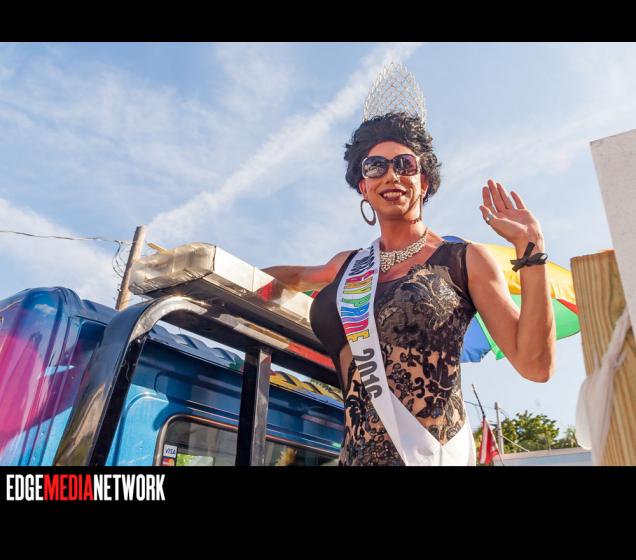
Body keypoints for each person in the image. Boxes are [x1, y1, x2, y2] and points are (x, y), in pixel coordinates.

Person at [263, 74, 556, 467]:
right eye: (375, 166)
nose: (391, 175)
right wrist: (209, 270)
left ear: (425, 181)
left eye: (405, 164)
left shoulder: (462, 259)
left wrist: (531, 251)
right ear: (363, 187)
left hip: (427, 456)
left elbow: (536, 365)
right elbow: (288, 279)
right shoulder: (347, 266)